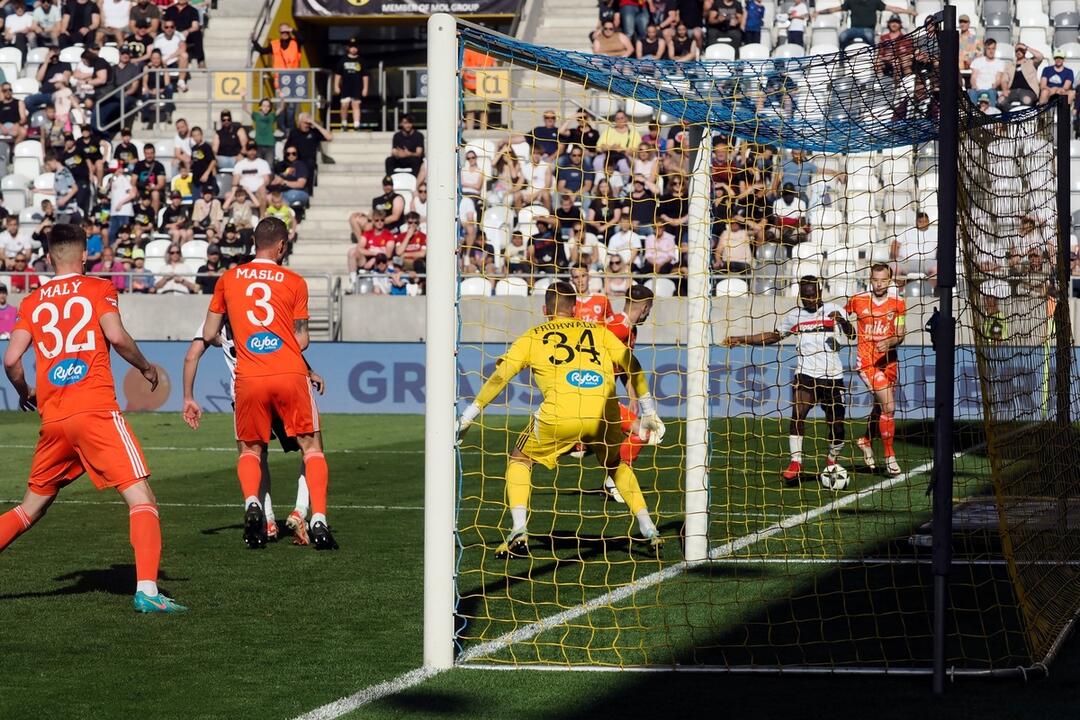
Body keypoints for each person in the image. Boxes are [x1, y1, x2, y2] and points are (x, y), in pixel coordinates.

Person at [0, 223, 186, 613]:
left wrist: (25, 393)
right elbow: (116, 337)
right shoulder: (99, 288)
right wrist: (146, 366)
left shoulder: (32, 302)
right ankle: (149, 592)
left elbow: (12, 359)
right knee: (141, 498)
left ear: (50, 256)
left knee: (28, 509)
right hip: (95, 411)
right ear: (84, 255)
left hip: (54, 419)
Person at [455, 281, 667, 557]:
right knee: (615, 463)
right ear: (576, 308)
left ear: (545, 309)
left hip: (560, 414)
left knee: (520, 458)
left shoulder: (532, 336)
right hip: (604, 413)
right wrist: (649, 410)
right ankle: (648, 527)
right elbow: (633, 365)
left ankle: (519, 528)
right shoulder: (599, 332)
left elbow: (500, 377)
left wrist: (468, 417)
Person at [183, 218, 337, 550]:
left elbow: (209, 335)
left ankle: (254, 504)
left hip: (248, 378)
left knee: (252, 451)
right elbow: (303, 340)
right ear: (281, 246)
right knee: (312, 448)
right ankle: (318, 520)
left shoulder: (229, 279)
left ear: (254, 243)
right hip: (289, 374)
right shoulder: (295, 281)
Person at [182, 317, 322, 544]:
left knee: (255, 456)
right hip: (283, 387)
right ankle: (300, 510)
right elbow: (289, 345)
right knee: (311, 450)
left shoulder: (213, 323)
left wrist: (188, 396)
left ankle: (267, 521)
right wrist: (308, 370)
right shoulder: (261, 315)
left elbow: (191, 355)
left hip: (247, 393)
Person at [722, 275, 855, 483]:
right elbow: (774, 336)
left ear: (819, 292)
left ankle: (831, 459)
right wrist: (741, 339)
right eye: (805, 296)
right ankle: (796, 462)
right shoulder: (795, 316)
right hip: (805, 374)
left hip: (832, 376)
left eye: (812, 295)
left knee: (837, 425)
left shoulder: (834, 308)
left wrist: (843, 322)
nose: (809, 300)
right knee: (797, 414)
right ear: (800, 296)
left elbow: (853, 334)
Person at [845, 264, 906, 476]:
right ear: (869, 279)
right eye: (875, 280)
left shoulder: (898, 302)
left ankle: (866, 440)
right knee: (889, 406)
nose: (878, 284)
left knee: (881, 408)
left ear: (889, 281)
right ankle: (890, 457)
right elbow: (841, 318)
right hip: (867, 363)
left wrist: (889, 342)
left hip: (889, 362)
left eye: (883, 280)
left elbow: (901, 333)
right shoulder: (857, 299)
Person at [251, 23, 304, 131]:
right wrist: (254, 41)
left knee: (291, 107)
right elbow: (263, 51)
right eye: (282, 32)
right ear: (279, 33)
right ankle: (281, 128)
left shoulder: (295, 42)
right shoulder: (274, 44)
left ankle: (291, 128)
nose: (284, 34)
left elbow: (303, 39)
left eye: (286, 32)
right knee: (280, 106)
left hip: (293, 80)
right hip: (279, 81)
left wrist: (292, 29)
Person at [813, 0, 915, 47]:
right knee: (842, 36)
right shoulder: (852, 1)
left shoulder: (875, 2)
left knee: (870, 38)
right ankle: (841, 59)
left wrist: (909, 12)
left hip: (868, 29)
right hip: (853, 30)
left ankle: (872, 58)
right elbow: (834, 9)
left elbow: (893, 8)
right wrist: (819, 12)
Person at [335, 37, 369, 132]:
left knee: (356, 105)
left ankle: (357, 125)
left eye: (355, 47)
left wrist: (365, 88)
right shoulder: (343, 60)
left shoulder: (361, 61)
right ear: (348, 48)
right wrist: (336, 86)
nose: (353, 49)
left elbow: (365, 75)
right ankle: (344, 123)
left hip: (357, 87)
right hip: (345, 87)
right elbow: (338, 74)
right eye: (351, 47)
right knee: (344, 105)